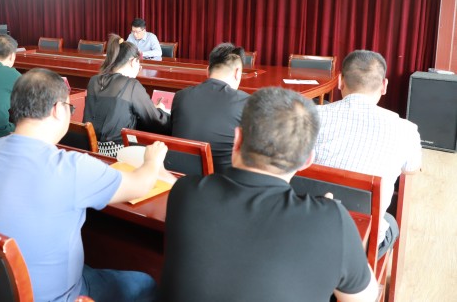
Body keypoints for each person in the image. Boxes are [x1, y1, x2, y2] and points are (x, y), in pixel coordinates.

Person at [160, 87, 378, 302]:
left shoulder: (185, 192)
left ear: (237, 139)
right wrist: (334, 225)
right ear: (307, 160)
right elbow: (364, 298)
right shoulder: (331, 221)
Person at [0, 68, 167, 302]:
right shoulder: (71, 167)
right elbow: (140, 185)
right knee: (145, 284)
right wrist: (153, 159)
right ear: (57, 109)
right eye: (69, 107)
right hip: (58, 297)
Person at [314, 50, 422, 258]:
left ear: (339, 81)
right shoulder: (406, 130)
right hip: (360, 245)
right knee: (390, 223)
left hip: (308, 229)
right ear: (384, 86)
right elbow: (411, 169)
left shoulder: (311, 117)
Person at [83, 34, 170, 157]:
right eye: (139, 64)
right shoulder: (130, 85)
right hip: (117, 152)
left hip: (90, 149)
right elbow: (156, 121)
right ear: (133, 61)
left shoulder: (93, 80)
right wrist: (160, 110)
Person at [171, 42, 249, 173]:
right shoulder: (246, 102)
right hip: (223, 181)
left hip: (178, 178)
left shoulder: (180, 96)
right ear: (237, 73)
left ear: (207, 71)